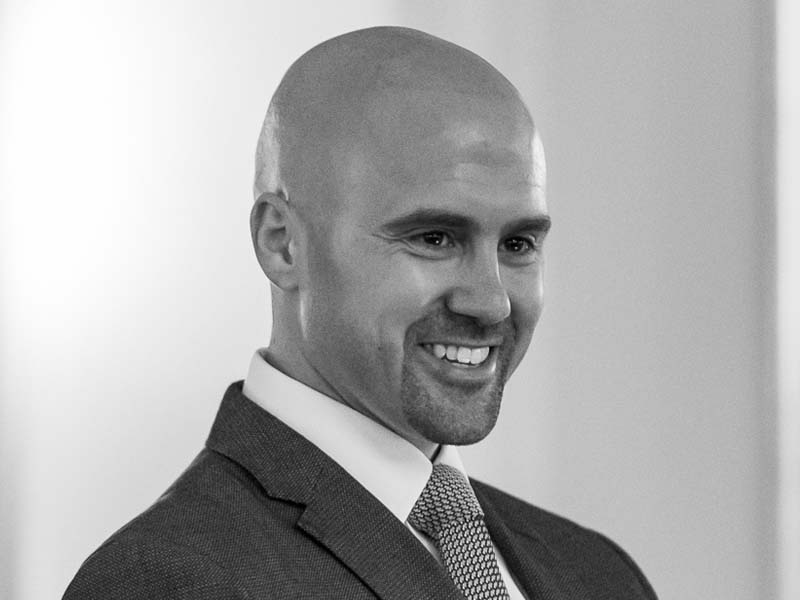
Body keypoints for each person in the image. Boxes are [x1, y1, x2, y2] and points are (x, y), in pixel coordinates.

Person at [64, 26, 657, 599]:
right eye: (434, 238)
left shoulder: (599, 574)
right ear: (282, 243)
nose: (491, 301)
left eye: (518, 244)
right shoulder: (167, 582)